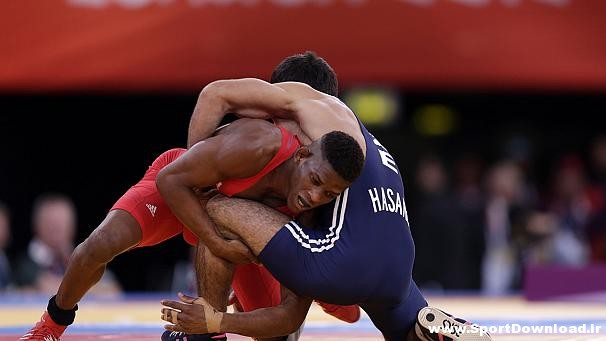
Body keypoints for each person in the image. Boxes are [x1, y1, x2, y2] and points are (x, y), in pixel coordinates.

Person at [160, 77, 492, 341]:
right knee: (408, 327)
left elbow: (216, 94)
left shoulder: (312, 106)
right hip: (399, 271)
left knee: (217, 207)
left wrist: (200, 174)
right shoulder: (364, 152)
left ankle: (204, 337)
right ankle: (423, 328)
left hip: (342, 263)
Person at [21, 118, 364, 340]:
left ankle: (204, 333)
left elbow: (289, 317)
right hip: (183, 191)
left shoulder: (312, 212)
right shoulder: (258, 145)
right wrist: (215, 238)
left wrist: (216, 321)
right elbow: (172, 179)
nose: (313, 196)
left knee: (278, 334)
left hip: (231, 227)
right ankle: (52, 324)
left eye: (328, 194)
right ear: (302, 156)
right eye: (316, 181)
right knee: (98, 246)